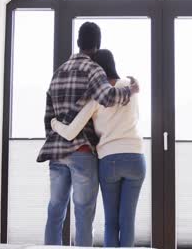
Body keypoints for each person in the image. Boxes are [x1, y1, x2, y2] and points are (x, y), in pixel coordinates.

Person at [37, 23, 140, 246]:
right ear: (98, 44)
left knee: (55, 211)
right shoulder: (94, 69)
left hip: (57, 152)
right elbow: (107, 97)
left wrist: (55, 137)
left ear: (77, 42)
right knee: (83, 213)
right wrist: (130, 91)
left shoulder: (58, 72)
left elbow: (48, 114)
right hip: (82, 151)